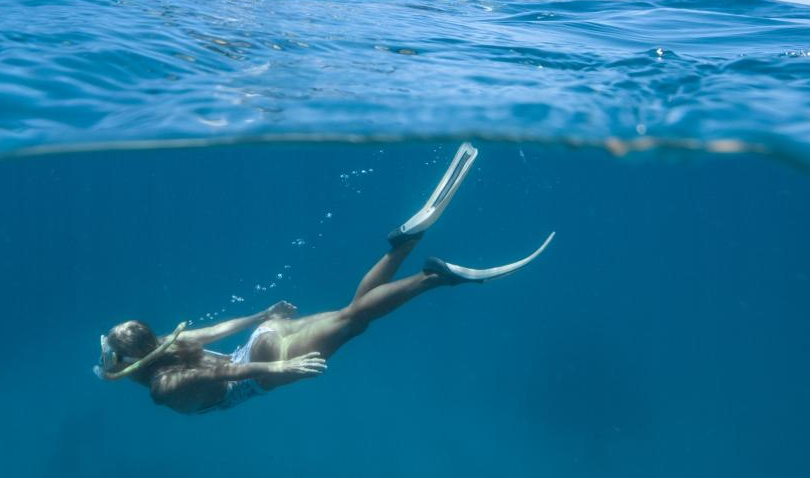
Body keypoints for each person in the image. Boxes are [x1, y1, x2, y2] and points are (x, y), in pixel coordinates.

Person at [94, 144, 555, 415]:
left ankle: (433, 279)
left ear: (128, 363)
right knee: (348, 313)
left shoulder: (160, 387)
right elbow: (219, 332)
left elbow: (230, 372)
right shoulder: (172, 344)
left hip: (259, 367)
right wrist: (264, 315)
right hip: (261, 340)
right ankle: (404, 245)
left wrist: (278, 368)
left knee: (355, 320)